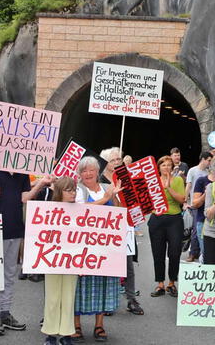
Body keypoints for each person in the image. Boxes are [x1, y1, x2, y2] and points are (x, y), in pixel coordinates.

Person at [0, 171, 53, 337]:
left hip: (15, 228)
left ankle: (5, 312)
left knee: (9, 274)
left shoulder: (22, 174)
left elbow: (25, 198)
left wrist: (41, 182)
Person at [72, 156, 125, 342]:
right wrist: (105, 199)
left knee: (103, 285)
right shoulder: (77, 189)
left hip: (104, 247)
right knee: (78, 287)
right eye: (84, 170)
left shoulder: (106, 188)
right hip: (81, 247)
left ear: (97, 172)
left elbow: (118, 212)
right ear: (79, 174)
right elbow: (80, 210)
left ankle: (99, 325)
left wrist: (115, 196)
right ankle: (76, 325)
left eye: (91, 170)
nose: (87, 173)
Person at [99, 147, 142, 313]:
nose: (117, 162)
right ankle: (108, 302)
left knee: (128, 266)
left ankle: (132, 300)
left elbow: (134, 201)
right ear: (106, 163)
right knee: (109, 266)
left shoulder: (127, 178)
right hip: (106, 229)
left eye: (119, 159)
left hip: (125, 228)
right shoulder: (100, 180)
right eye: (113, 160)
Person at [41, 177, 78, 345]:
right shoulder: (48, 209)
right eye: (68, 190)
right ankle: (50, 334)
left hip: (73, 260)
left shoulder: (80, 210)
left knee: (69, 297)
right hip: (52, 259)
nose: (73, 193)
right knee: (52, 297)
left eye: (74, 189)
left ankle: (66, 334)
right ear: (59, 191)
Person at [149, 155, 185, 297]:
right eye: (163, 165)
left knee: (174, 252)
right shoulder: (153, 182)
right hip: (157, 219)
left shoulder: (177, 180)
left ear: (172, 167)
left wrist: (168, 188)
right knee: (158, 253)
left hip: (174, 219)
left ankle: (172, 283)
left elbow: (182, 200)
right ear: (158, 167)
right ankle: (160, 284)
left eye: (169, 165)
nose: (166, 168)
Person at [185, 151, 213, 262]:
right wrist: (185, 201)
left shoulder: (207, 172)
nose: (210, 163)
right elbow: (189, 186)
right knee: (196, 230)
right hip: (195, 203)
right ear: (203, 159)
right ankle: (193, 253)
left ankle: (200, 252)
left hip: (206, 204)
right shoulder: (193, 170)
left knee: (202, 229)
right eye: (209, 160)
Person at [192, 161, 215, 261]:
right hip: (203, 222)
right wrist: (206, 194)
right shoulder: (201, 181)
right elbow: (195, 204)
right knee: (207, 256)